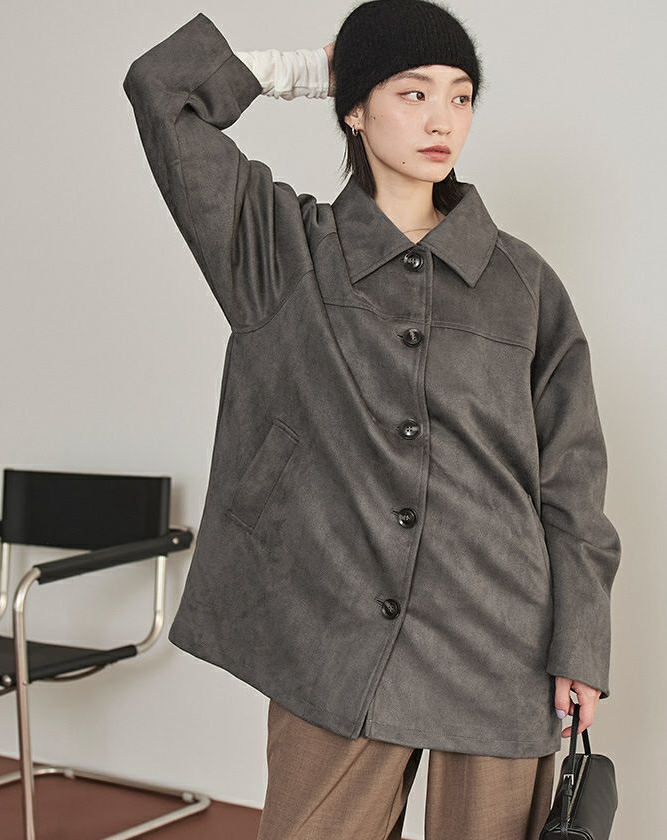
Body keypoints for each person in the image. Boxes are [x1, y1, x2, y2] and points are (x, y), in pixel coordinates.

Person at [122, 3, 622, 838]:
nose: (441, 120)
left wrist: (581, 644)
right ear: (355, 107)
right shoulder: (282, 249)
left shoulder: (525, 285)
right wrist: (302, 72)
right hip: (335, 636)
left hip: (499, 641)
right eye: (412, 93)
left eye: (460, 97)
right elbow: (160, 90)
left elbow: (572, 480)